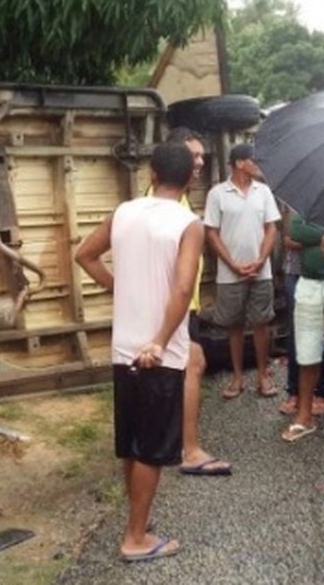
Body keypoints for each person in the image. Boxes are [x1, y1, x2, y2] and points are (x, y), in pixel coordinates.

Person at [74, 141, 203, 562]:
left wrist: (119, 288)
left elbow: (85, 255)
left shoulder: (124, 211)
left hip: (124, 346)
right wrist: (161, 340)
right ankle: (135, 539)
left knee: (132, 443)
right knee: (151, 447)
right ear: (189, 179)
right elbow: (183, 288)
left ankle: (138, 523)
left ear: (151, 174)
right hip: (158, 352)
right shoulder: (188, 223)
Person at [163, 128, 231, 476]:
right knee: (192, 365)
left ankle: (174, 443)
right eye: (194, 156)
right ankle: (188, 450)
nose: (200, 162)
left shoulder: (181, 199)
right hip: (174, 306)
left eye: (203, 156)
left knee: (188, 367)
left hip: (182, 305)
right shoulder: (169, 203)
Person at [203, 143, 281, 399]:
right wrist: (233, 264)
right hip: (230, 273)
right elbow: (211, 233)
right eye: (253, 160)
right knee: (234, 326)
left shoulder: (264, 192)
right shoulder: (217, 194)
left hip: (261, 271)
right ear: (238, 163)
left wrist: (260, 260)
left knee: (262, 323)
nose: (258, 164)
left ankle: (262, 375)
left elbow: (271, 228)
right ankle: (237, 378)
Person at [281, 212, 324, 442]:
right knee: (306, 350)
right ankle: (304, 416)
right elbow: (295, 231)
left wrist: (319, 236)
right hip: (309, 282)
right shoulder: (309, 201)